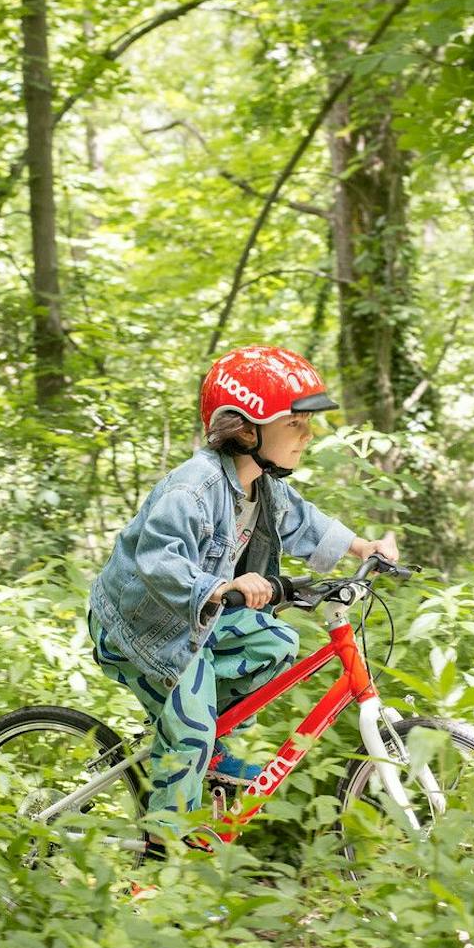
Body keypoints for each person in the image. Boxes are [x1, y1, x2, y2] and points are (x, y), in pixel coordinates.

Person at [87, 344, 398, 848]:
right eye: (294, 423)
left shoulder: (262, 485)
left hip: (196, 622)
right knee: (187, 726)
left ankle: (209, 745)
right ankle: (161, 860)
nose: (307, 435)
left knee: (272, 642)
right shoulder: (192, 488)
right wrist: (221, 585)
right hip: (142, 629)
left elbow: (305, 522)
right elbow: (158, 561)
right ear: (246, 428)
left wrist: (367, 547)